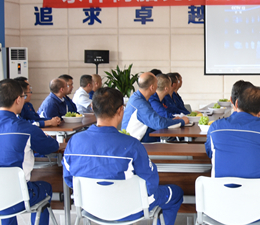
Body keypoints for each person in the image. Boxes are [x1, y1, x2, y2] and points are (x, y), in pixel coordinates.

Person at [64, 87, 183, 225]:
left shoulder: (74, 142)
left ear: (92, 107)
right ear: (121, 110)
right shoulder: (132, 144)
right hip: (131, 209)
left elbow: (69, 179)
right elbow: (151, 182)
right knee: (176, 192)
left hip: (90, 208)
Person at [0, 79, 60, 225]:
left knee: (4, 185)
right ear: (18, 100)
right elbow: (51, 146)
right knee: (45, 187)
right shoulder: (25, 128)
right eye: (23, 96)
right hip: (16, 197)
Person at [205, 85, 260, 208]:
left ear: (236, 103)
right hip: (255, 206)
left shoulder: (215, 127)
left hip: (218, 205)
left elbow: (211, 152)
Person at [122, 72, 187, 142]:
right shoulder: (140, 104)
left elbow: (157, 119)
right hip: (135, 144)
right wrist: (182, 121)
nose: (158, 86)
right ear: (152, 87)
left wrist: (172, 120)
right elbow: (159, 123)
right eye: (156, 84)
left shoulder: (138, 98)